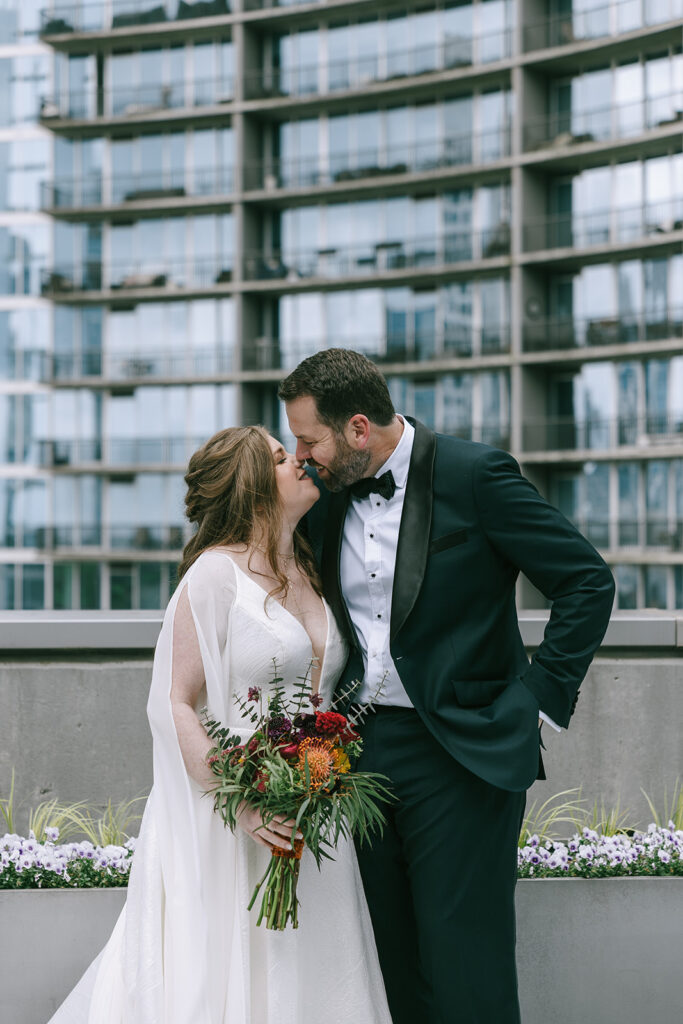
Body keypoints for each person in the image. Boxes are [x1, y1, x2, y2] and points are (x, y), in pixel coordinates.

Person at [279, 348, 616, 1024]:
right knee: (383, 964)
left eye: (307, 438)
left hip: (462, 752)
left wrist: (535, 702)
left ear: (356, 429)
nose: (300, 453)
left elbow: (585, 581)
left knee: (466, 968)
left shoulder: (474, 475)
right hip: (354, 756)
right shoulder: (323, 495)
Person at [47, 425, 392, 1024]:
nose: (302, 463)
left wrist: (314, 781)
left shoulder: (308, 569)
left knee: (315, 974)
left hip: (309, 813)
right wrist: (246, 800)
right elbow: (173, 702)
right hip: (231, 819)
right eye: (284, 459)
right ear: (255, 487)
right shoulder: (213, 576)